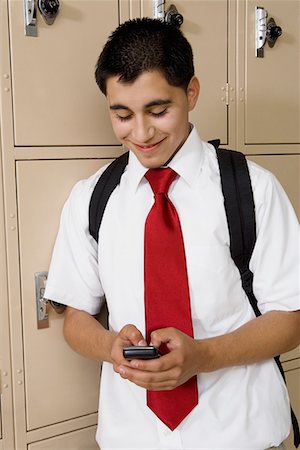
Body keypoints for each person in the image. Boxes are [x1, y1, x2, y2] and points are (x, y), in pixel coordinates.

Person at [45, 17, 300, 450]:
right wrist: (110, 346)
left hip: (242, 432)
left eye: (159, 111)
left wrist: (203, 356)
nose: (141, 133)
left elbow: (292, 319)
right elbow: (75, 320)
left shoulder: (251, 188)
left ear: (192, 92)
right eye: (122, 115)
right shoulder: (92, 198)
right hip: (132, 437)